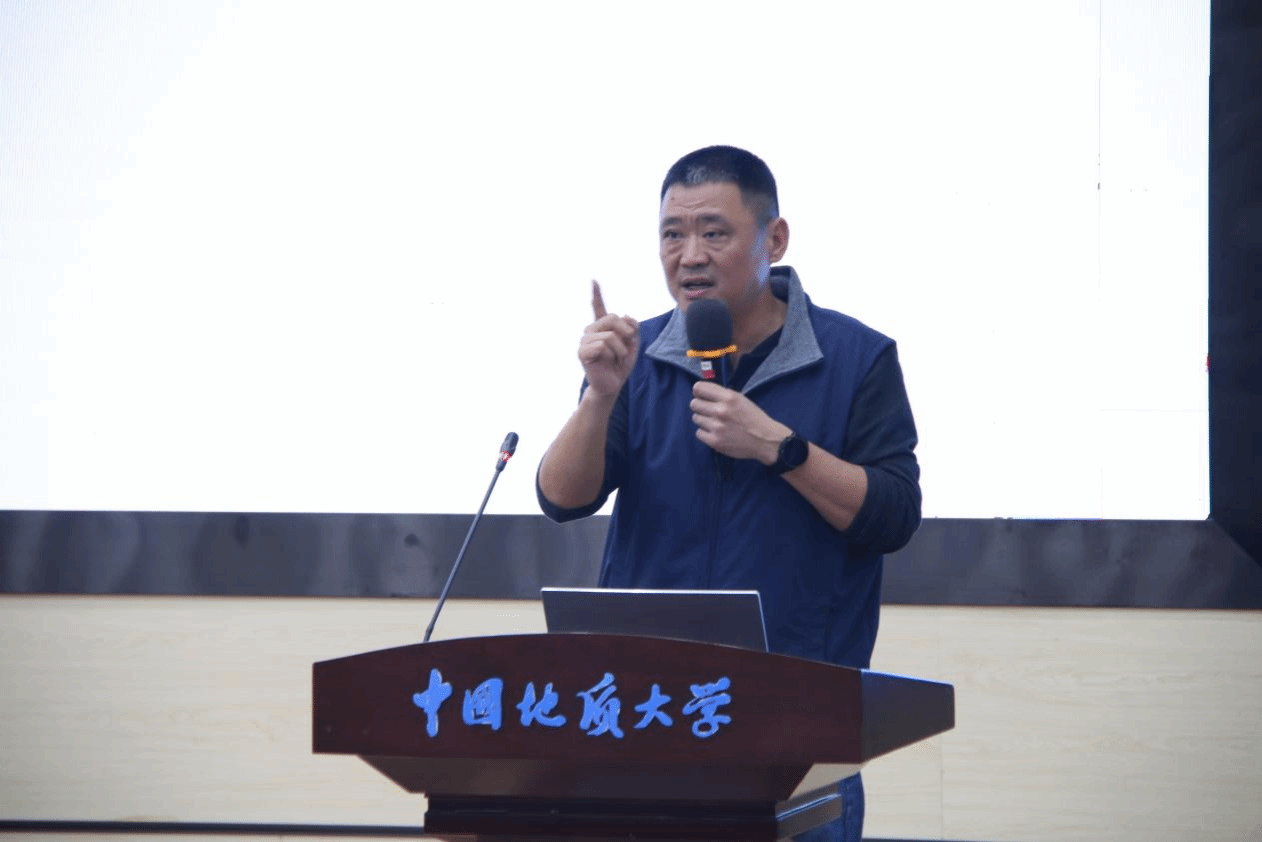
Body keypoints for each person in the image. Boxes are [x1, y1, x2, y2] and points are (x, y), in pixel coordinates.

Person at [536, 145, 922, 842]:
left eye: (714, 232)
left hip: (797, 723)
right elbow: (562, 499)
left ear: (774, 240)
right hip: (644, 713)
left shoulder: (857, 357)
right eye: (672, 234)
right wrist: (599, 396)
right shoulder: (638, 355)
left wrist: (780, 448)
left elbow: (892, 515)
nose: (690, 256)